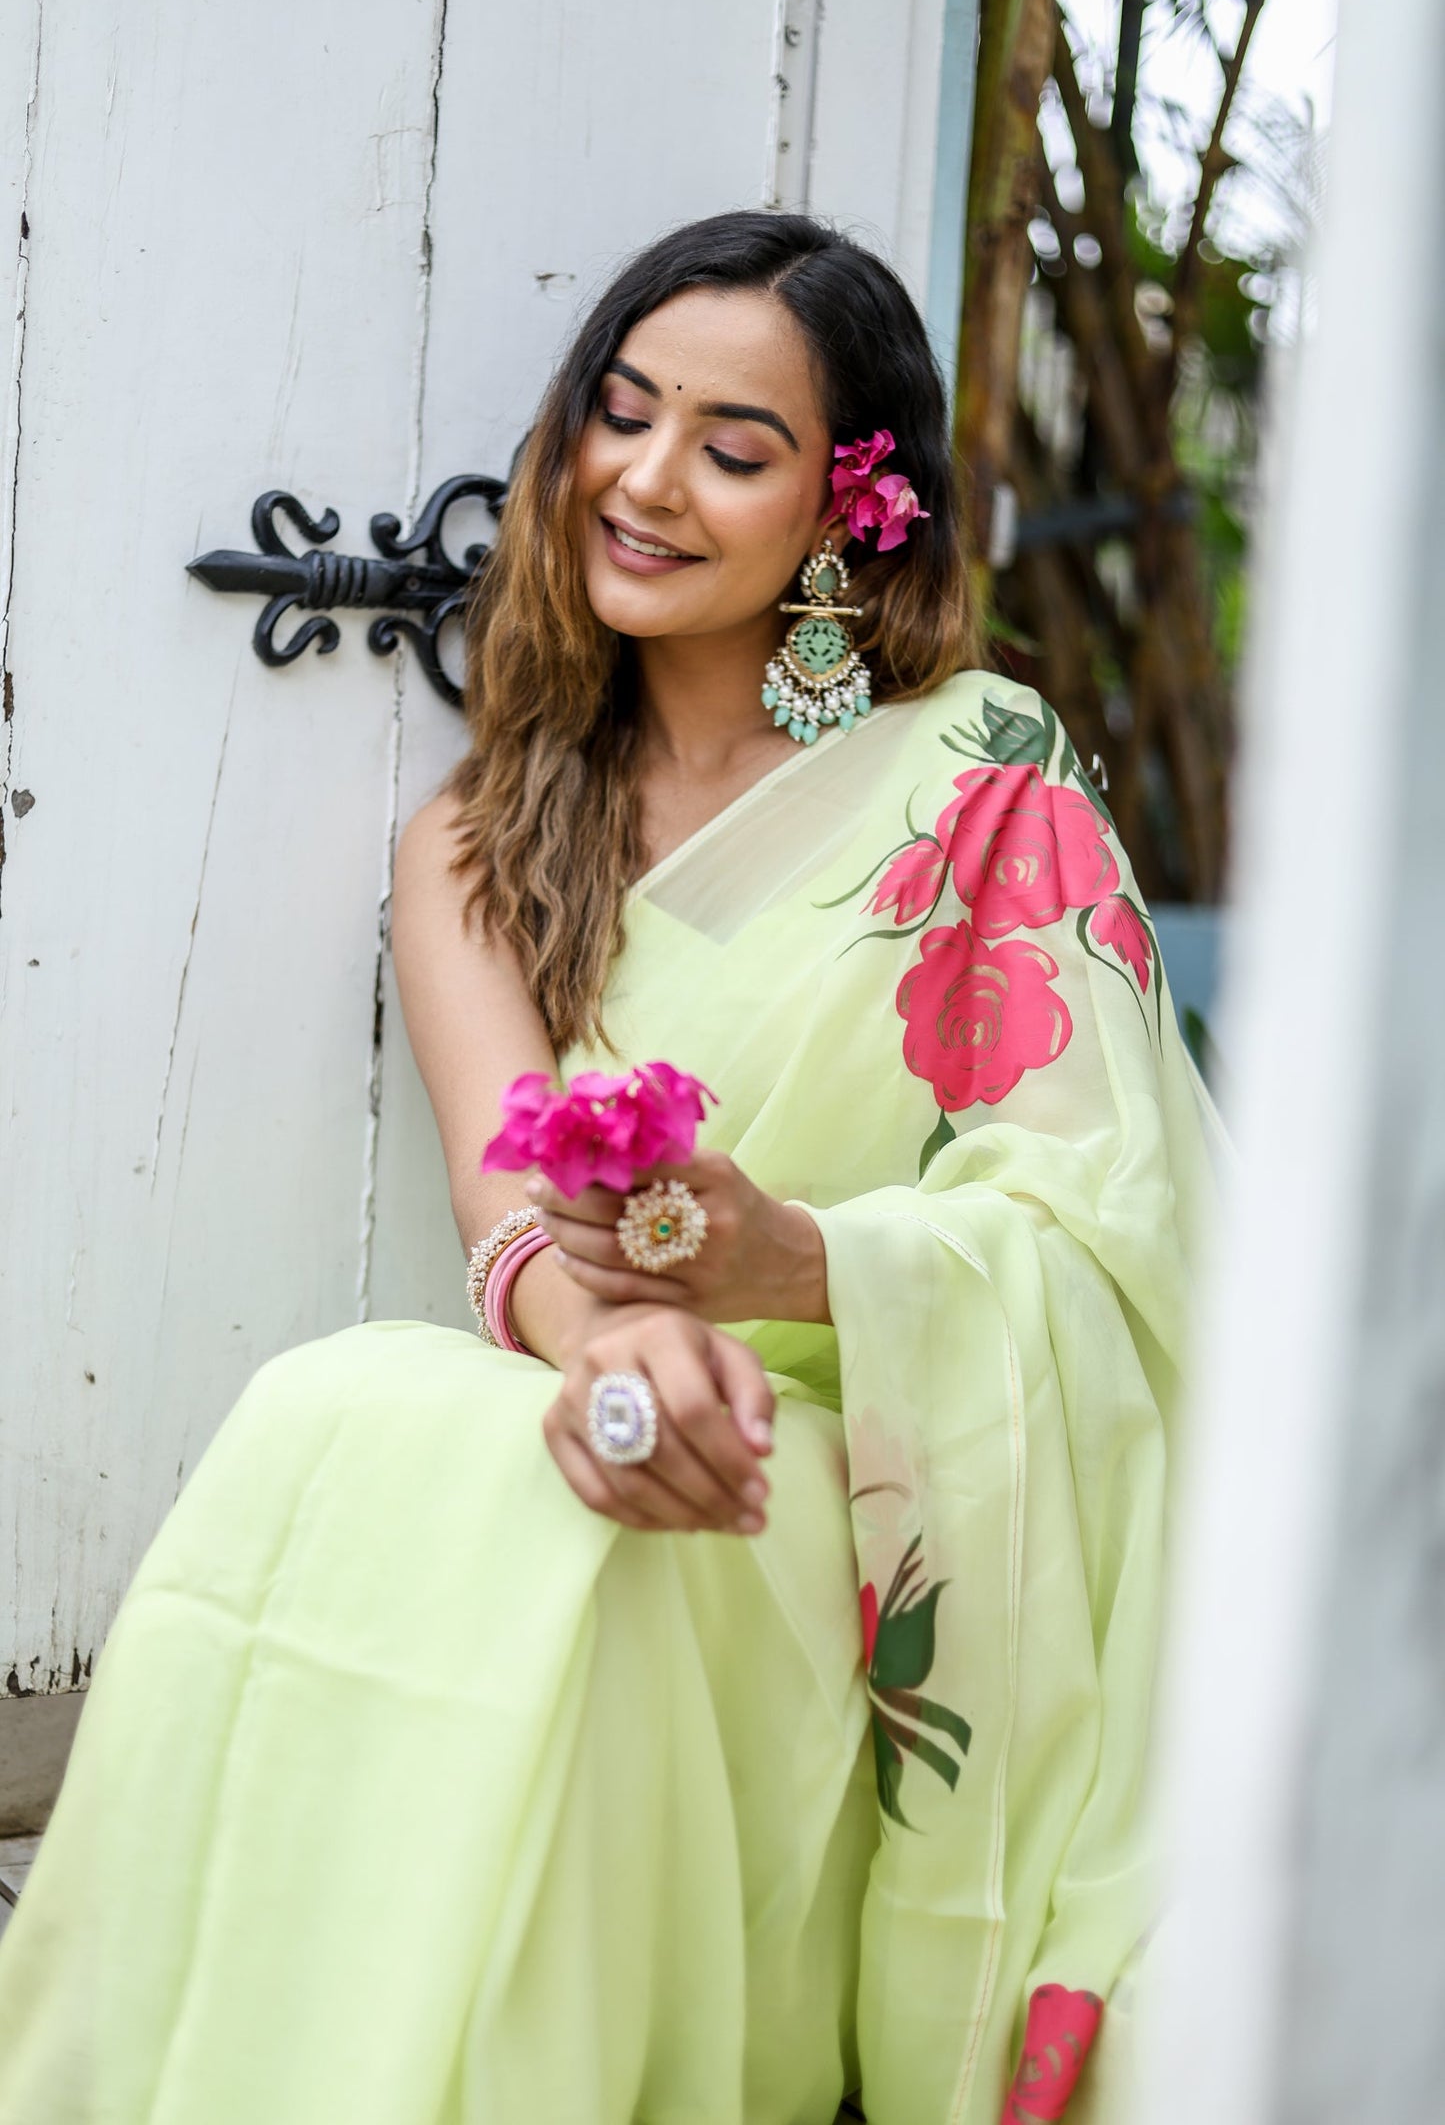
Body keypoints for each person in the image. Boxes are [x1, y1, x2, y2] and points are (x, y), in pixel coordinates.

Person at [0, 211, 1217, 2124]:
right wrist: (619, 1355)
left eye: (733, 449)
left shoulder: (980, 786)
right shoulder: (482, 838)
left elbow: (1116, 1233)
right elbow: (514, 1211)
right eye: (620, 414)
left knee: (538, 1508)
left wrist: (796, 1264)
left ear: (846, 510)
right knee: (355, 1404)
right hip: (617, 1405)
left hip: (863, 1474)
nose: (644, 480)